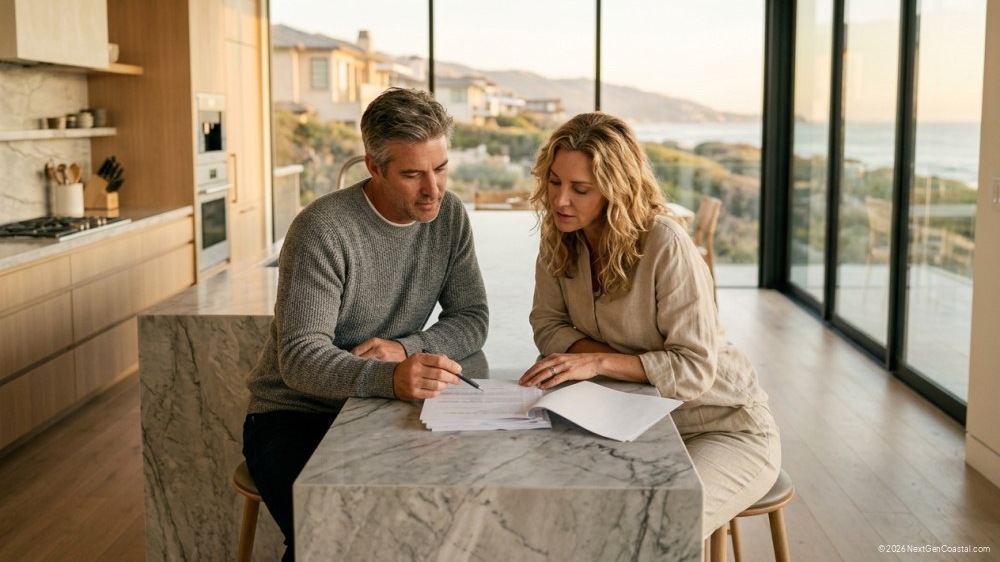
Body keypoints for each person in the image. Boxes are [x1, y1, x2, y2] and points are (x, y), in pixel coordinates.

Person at [243, 87, 489, 561]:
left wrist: (405, 348)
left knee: (432, 520)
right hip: (294, 414)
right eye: (413, 174)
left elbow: (472, 318)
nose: (433, 189)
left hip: (381, 408)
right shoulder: (323, 228)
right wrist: (390, 377)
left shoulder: (449, 216)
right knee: (331, 531)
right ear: (374, 167)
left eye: (440, 169)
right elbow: (298, 359)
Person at [518, 112, 780, 539]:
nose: (560, 200)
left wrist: (596, 362)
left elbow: (694, 369)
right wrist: (595, 364)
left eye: (580, 189)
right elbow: (547, 325)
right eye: (553, 182)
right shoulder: (559, 237)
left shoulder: (665, 244)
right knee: (567, 512)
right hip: (623, 418)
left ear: (615, 190)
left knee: (659, 527)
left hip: (719, 426)